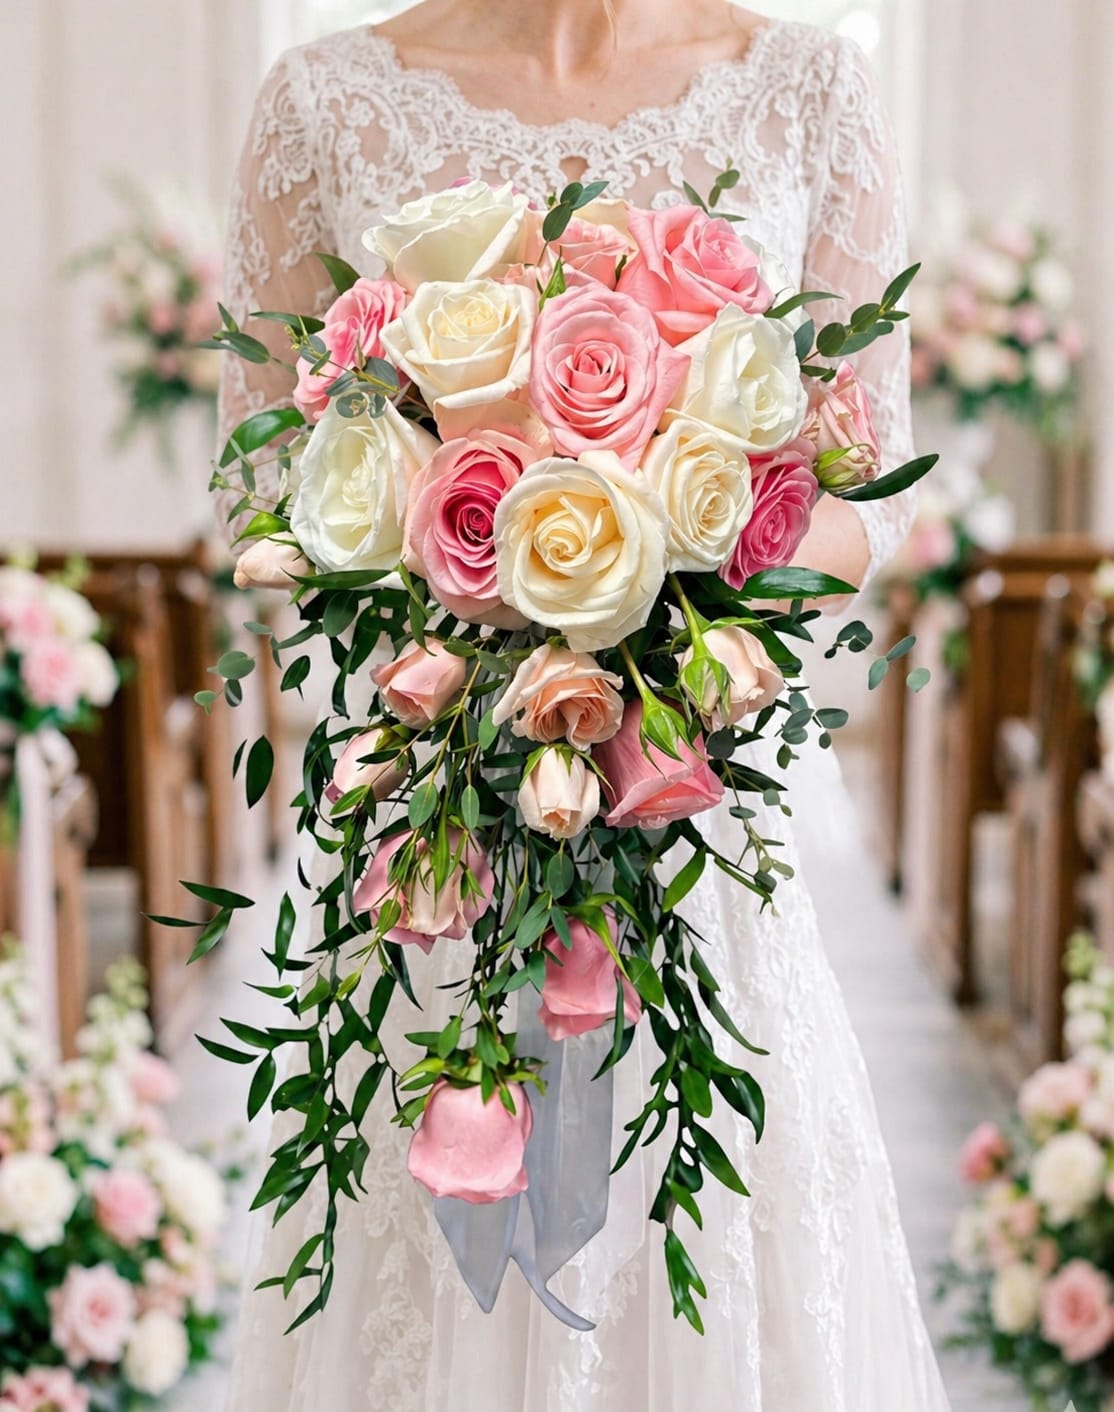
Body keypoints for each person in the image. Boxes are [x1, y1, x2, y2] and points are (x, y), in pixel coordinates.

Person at [218, 2, 953, 1408]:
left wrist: (663, 633)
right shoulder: (322, 99)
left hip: (695, 805)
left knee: (705, 1231)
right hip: (437, 829)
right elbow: (265, 489)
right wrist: (480, 638)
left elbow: (866, 486)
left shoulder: (808, 91)